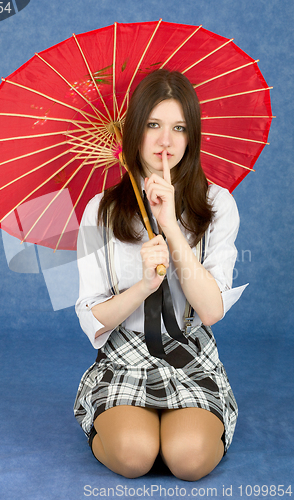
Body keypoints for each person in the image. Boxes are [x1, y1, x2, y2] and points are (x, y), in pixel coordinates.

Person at [74, 69, 246, 481]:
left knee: (188, 460)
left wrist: (171, 227)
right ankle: (104, 413)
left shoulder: (218, 204)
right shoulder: (100, 212)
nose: (165, 141)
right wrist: (145, 286)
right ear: (134, 133)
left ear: (191, 137)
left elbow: (211, 311)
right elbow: (91, 317)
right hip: (124, 355)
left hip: (190, 354)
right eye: (153, 125)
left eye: (178, 128)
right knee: (135, 456)